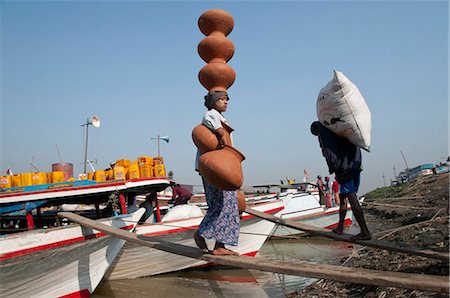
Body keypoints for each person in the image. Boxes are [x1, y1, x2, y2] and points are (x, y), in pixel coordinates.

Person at [193, 91, 240, 256]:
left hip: (221, 168)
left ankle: (220, 245)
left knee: (228, 206)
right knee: (218, 205)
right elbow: (219, 132)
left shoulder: (220, 117)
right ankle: (201, 234)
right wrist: (222, 139)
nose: (226, 102)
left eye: (227, 99)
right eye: (222, 99)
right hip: (215, 168)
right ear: (213, 102)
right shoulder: (211, 115)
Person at [311, 121, 371, 241]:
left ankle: (365, 231)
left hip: (345, 169)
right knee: (343, 198)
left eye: (317, 135)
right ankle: (340, 227)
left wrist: (335, 167)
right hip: (355, 165)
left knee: (352, 198)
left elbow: (329, 153)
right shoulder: (339, 131)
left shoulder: (328, 136)